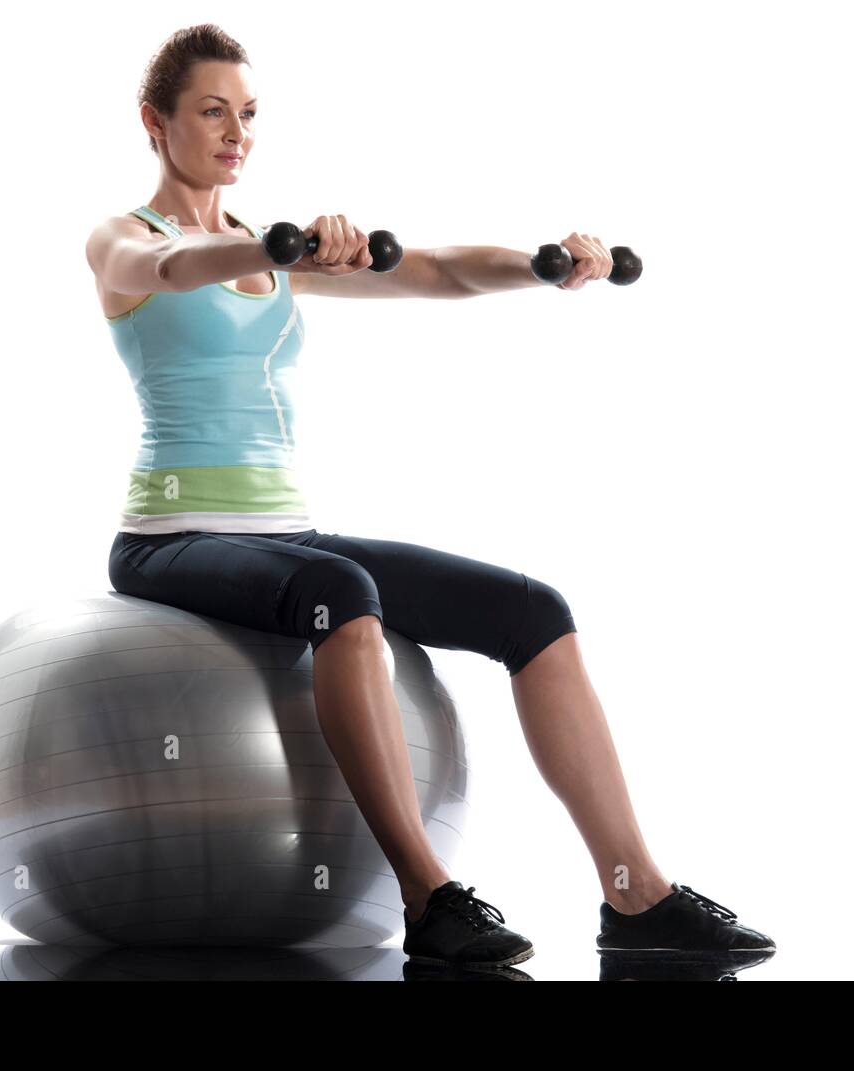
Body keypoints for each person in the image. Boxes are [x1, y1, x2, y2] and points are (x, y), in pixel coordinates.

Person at [85, 23, 774, 970]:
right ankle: (429, 894)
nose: (235, 132)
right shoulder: (126, 239)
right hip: (170, 538)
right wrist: (278, 253)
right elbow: (165, 271)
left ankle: (636, 893)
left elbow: (439, 270)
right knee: (344, 594)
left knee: (532, 611)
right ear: (154, 121)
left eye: (247, 114)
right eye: (212, 111)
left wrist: (546, 264)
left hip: (284, 533)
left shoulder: (269, 250)